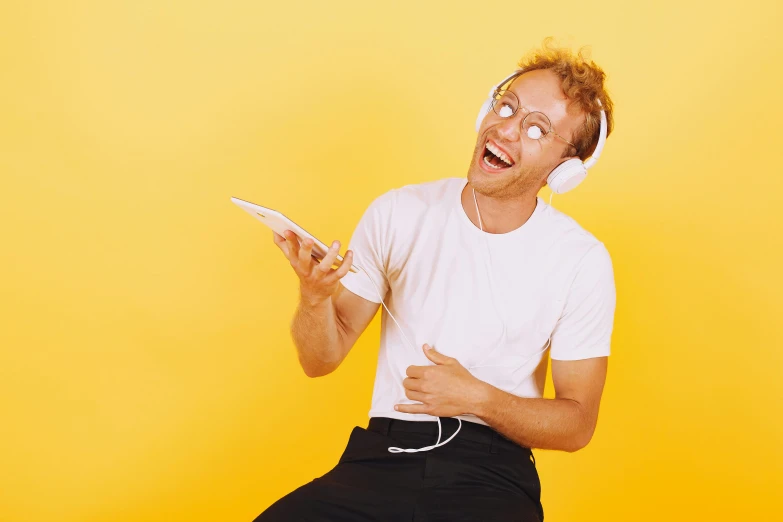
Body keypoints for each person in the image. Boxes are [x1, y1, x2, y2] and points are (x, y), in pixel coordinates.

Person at [254, 38, 616, 522]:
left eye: (536, 128)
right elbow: (320, 360)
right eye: (506, 107)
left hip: (492, 476)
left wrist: (478, 398)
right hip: (381, 457)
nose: (506, 129)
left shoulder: (580, 260)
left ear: (566, 171)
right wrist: (315, 297)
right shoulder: (401, 211)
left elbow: (577, 425)